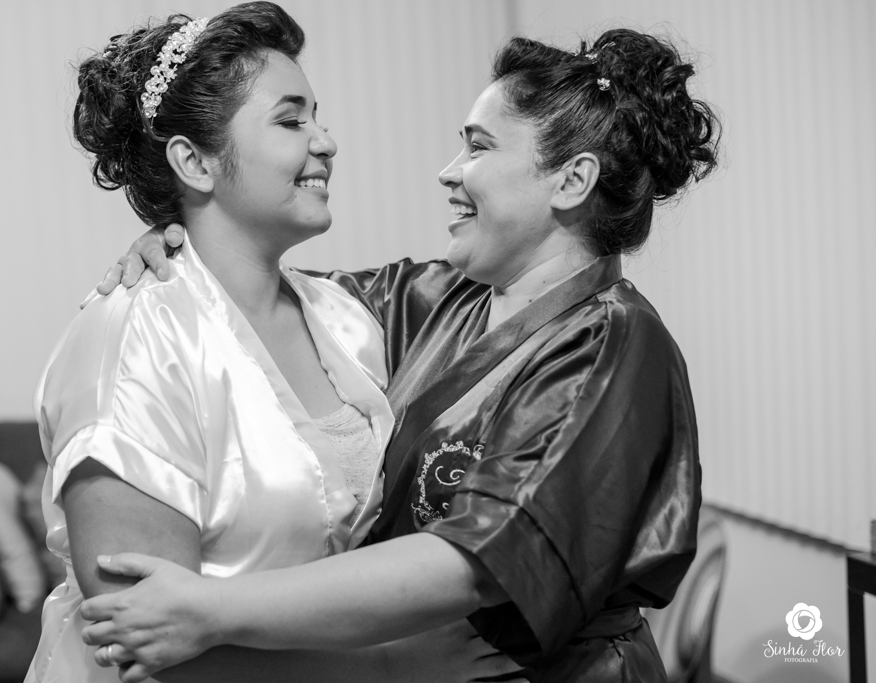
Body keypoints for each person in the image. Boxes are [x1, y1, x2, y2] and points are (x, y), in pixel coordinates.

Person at [79, 26, 719, 683]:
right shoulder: (433, 299)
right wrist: (182, 240)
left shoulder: (613, 339)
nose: (448, 171)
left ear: (572, 179)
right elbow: (262, 300)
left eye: (478, 146)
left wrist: (210, 612)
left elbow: (472, 560)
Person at [27, 3, 524, 682]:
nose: (326, 141)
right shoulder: (132, 341)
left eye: (318, 117)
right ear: (194, 161)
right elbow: (137, 643)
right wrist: (388, 668)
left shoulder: (347, 319)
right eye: (291, 121)